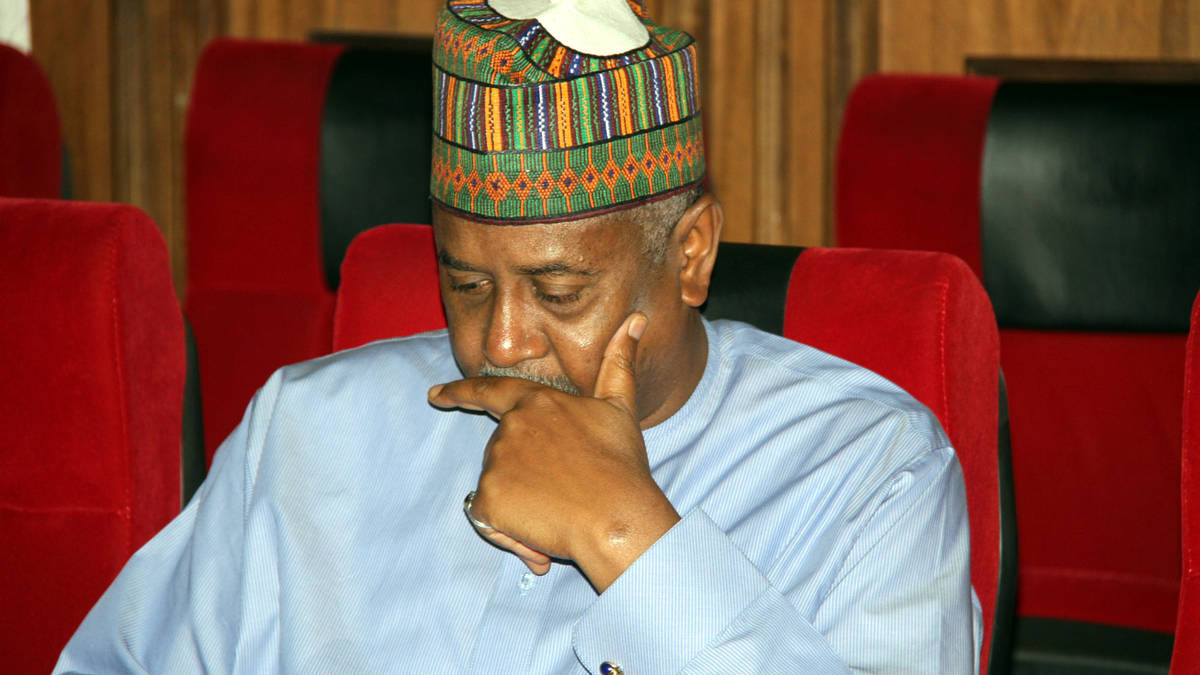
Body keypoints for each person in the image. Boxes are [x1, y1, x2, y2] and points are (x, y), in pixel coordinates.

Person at [56, 1, 981, 672]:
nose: (500, 343)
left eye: (558, 290)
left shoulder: (872, 472)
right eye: (465, 284)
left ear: (691, 253)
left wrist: (626, 535)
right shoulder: (305, 430)